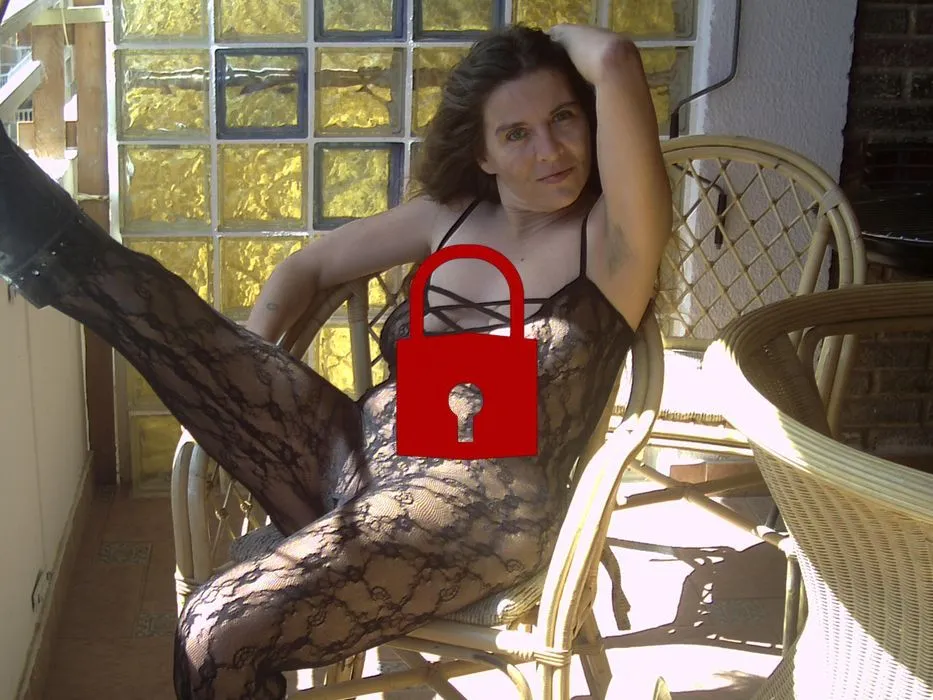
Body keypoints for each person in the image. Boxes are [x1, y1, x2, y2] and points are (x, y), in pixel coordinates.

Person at [0, 15, 671, 700]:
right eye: (516, 133)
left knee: (214, 630)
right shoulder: (449, 217)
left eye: (563, 118)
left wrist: (556, 38)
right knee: (169, 325)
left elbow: (617, 57)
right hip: (355, 452)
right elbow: (307, 268)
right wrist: (246, 360)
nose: (550, 150)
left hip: (472, 502)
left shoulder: (611, 243)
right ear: (483, 153)